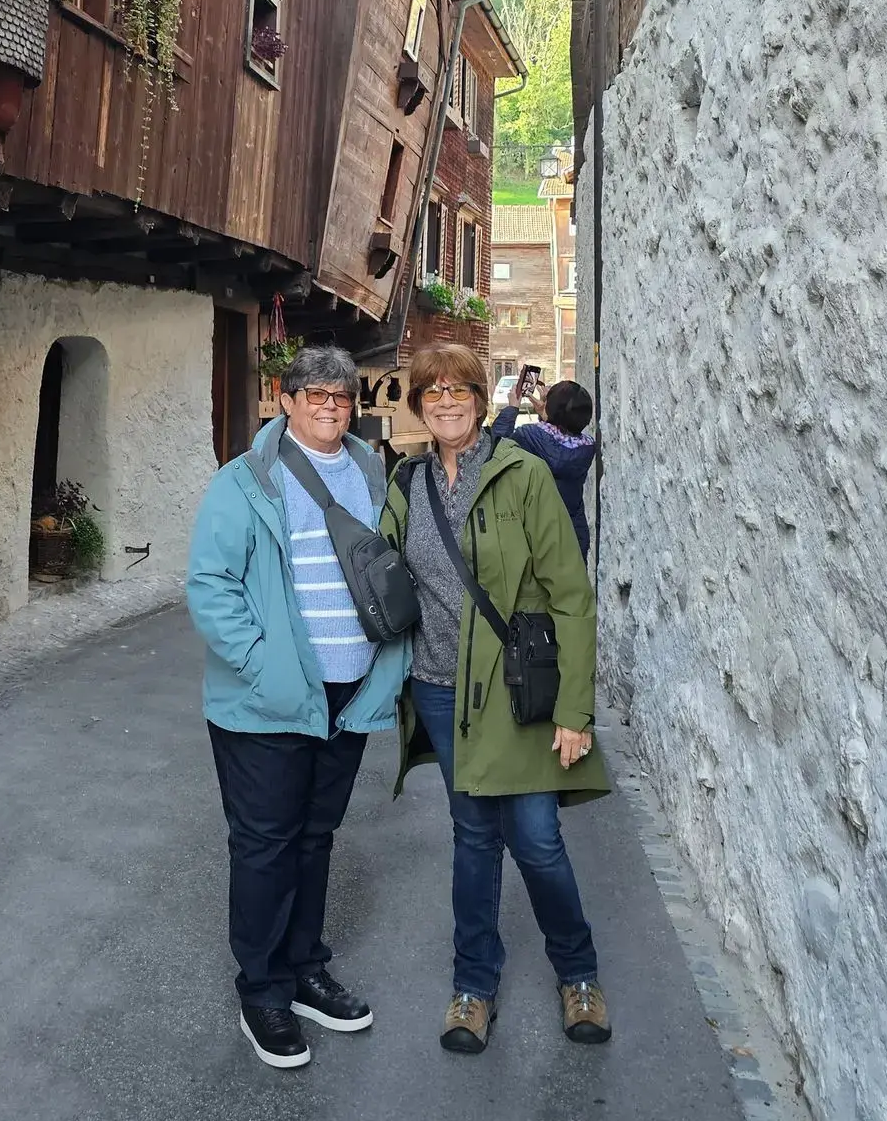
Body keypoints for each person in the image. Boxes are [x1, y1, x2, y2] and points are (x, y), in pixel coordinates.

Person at [381, 343, 611, 1055]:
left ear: (483, 399)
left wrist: (575, 711)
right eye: (431, 391)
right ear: (417, 403)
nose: (445, 401)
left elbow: (572, 596)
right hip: (443, 692)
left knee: (538, 842)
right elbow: (382, 575)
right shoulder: (408, 480)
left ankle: (579, 974)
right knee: (474, 840)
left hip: (516, 693)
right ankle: (473, 988)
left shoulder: (523, 474)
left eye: (459, 389)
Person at [186, 344, 409, 1069]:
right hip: (267, 702)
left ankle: (306, 967)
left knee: (316, 838)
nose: (329, 408)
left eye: (341, 398)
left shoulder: (373, 473)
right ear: (286, 400)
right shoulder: (245, 481)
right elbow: (212, 587)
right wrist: (262, 667)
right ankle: (264, 990)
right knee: (265, 845)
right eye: (315, 396)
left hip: (349, 695)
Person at [493, 378, 597, 561]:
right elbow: (558, 442)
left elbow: (496, 447)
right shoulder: (587, 448)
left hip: (534, 537)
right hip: (572, 535)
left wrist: (512, 408)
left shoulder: (528, 436)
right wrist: (548, 415)